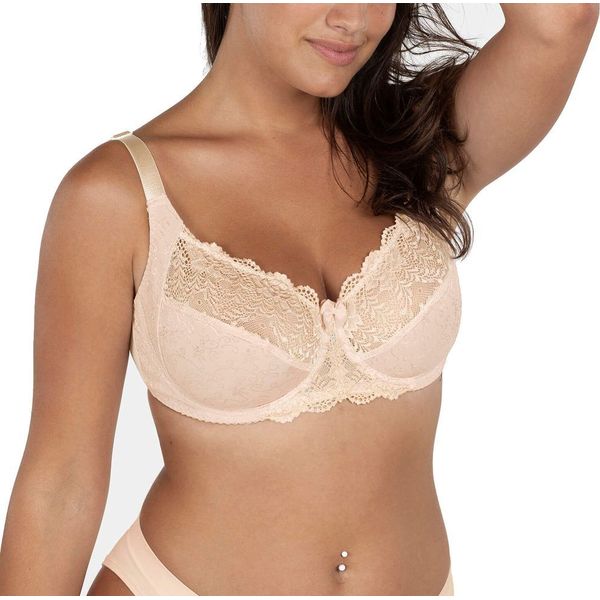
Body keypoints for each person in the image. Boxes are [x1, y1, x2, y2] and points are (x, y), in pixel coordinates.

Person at [0, 3, 597, 596]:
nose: (353, 18)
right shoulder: (116, 195)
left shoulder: (418, 147)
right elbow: (61, 483)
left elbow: (561, 18)